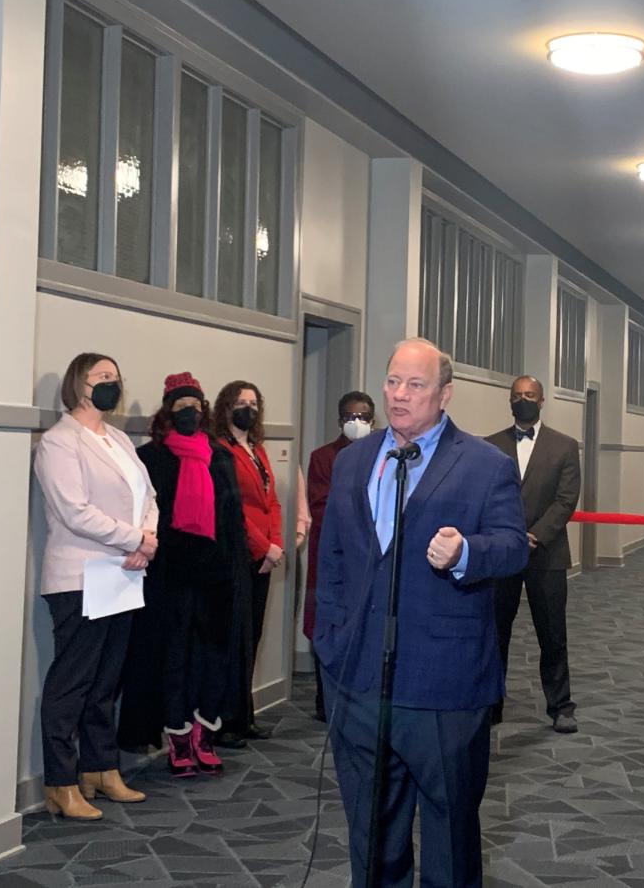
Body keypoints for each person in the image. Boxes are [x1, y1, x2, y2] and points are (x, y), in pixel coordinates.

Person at [315, 338, 528, 887]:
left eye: (415, 385)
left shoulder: (486, 464)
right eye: (392, 382)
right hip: (359, 680)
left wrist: (466, 553)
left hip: (445, 685)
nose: (399, 395)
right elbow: (334, 556)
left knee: (450, 838)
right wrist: (331, 641)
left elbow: (513, 545)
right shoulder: (353, 461)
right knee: (370, 834)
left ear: (445, 394)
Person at [34, 353, 156, 819]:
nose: (112, 384)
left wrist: (147, 538)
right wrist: (135, 538)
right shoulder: (60, 442)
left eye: (115, 377)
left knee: (107, 679)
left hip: (123, 573)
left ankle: (100, 768)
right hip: (80, 576)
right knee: (73, 682)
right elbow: (74, 510)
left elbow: (149, 497)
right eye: (102, 377)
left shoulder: (120, 438)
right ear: (78, 385)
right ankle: (60, 782)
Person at [119, 372, 250, 777]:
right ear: (167, 412)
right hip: (169, 576)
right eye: (181, 408)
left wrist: (235, 569)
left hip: (215, 576)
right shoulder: (151, 459)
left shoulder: (220, 455)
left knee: (211, 659)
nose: (190, 414)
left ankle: (203, 734)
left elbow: (232, 518)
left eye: (196, 407)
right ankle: (177, 737)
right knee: (173, 658)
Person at [212, 380, 310, 746]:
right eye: (240, 402)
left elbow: (273, 503)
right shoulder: (220, 450)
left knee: (252, 638)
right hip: (239, 556)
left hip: (265, 557)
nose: (248, 409)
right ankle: (226, 722)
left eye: (253, 403)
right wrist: (262, 547)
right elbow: (233, 510)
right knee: (233, 641)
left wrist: (277, 544)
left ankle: (244, 716)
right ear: (225, 407)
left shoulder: (258, 449)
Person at [484, 375, 581, 732]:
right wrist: (508, 536)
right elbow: (486, 498)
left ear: (541, 402)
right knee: (495, 631)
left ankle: (560, 706)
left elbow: (566, 500)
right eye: (517, 395)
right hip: (502, 553)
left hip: (548, 553)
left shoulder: (565, 446)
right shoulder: (490, 445)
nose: (523, 400)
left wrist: (536, 535)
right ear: (509, 401)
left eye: (530, 395)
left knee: (552, 633)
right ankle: (490, 703)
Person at [305, 389, 376, 721]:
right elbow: (322, 506)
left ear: (373, 421)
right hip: (331, 556)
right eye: (350, 417)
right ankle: (325, 699)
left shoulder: (387, 454)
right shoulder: (323, 458)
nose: (356, 422)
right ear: (339, 420)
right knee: (327, 623)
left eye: (362, 417)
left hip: (370, 559)